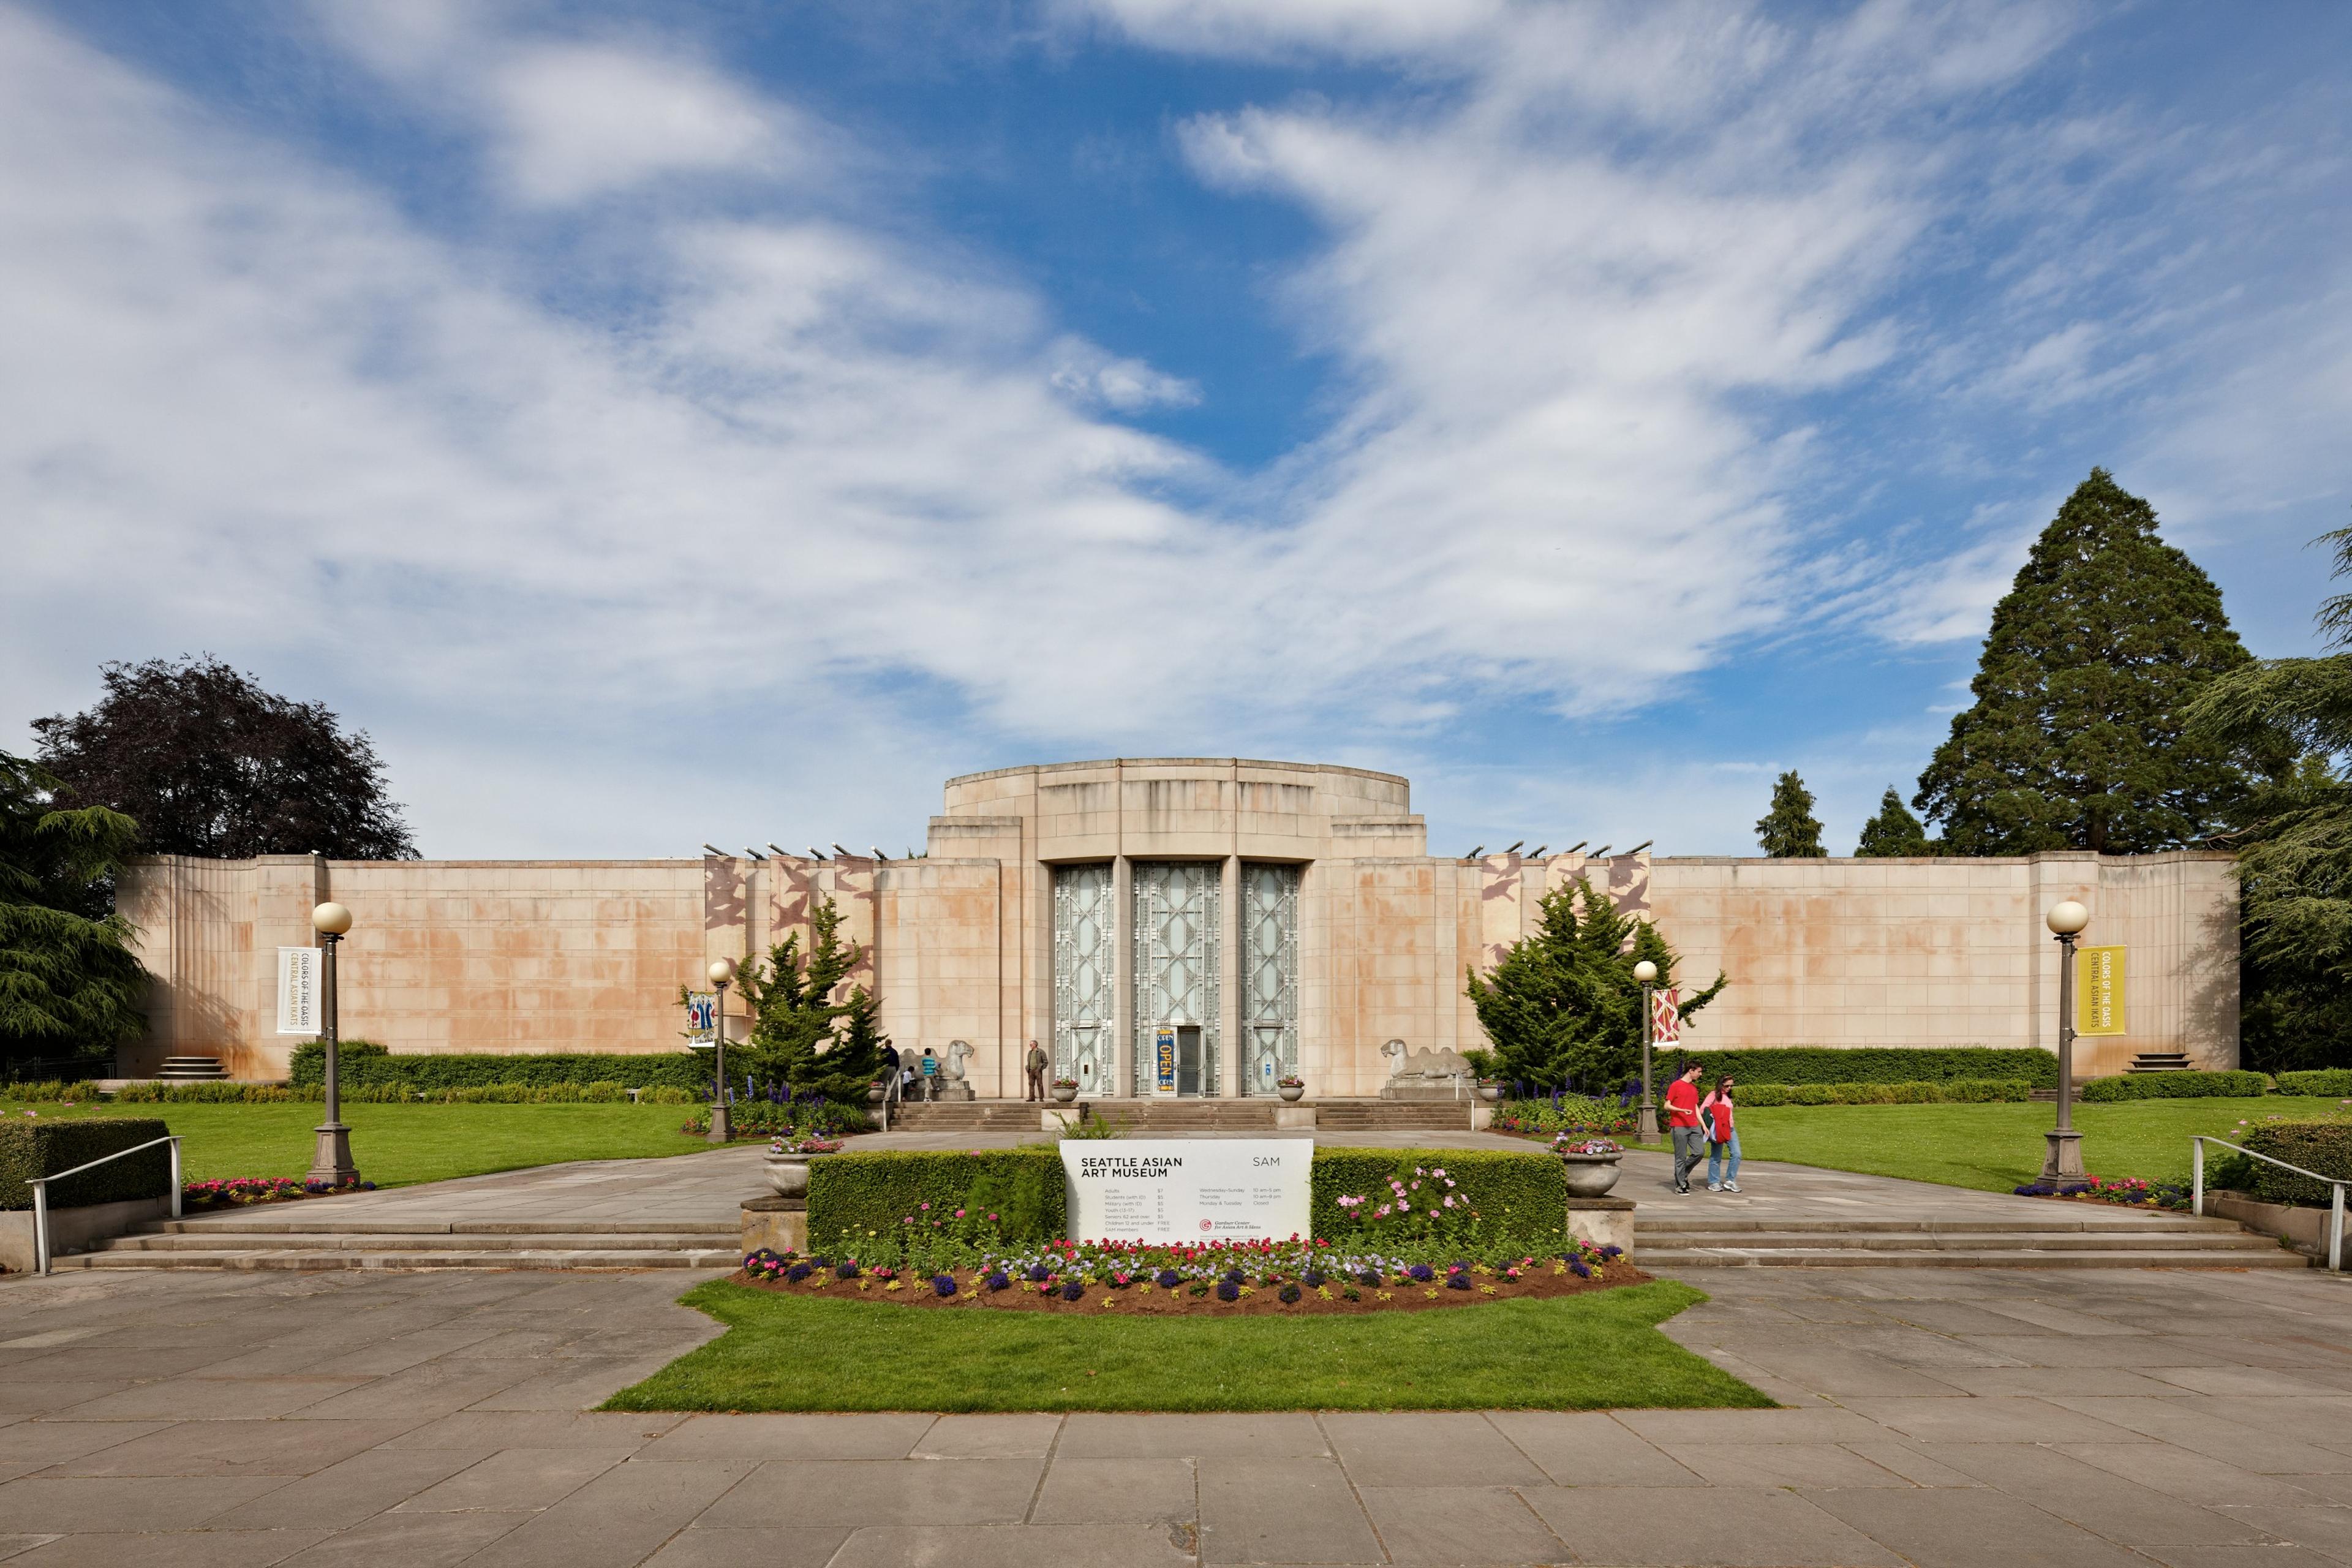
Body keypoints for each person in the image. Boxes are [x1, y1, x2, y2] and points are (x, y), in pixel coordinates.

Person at [1663, 1061, 1706, 1194]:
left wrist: (1703, 1125)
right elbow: (1666, 1105)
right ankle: (1680, 1185)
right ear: (1691, 1071)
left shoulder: (1693, 1088)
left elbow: (1695, 1107)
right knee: (1680, 1157)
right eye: (1699, 1071)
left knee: (1699, 1153)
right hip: (1679, 1126)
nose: (1700, 1074)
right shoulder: (1676, 1085)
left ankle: (1682, 1174)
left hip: (1694, 1126)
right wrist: (1681, 1110)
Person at [1701, 1074, 1741, 1193]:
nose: (1729, 1088)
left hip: (1730, 1128)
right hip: (1718, 1129)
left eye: (1731, 1086)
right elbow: (1703, 1109)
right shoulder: (1713, 1095)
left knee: (1737, 1154)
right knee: (1716, 1156)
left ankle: (1730, 1180)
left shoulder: (1728, 1096)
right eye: (1726, 1086)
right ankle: (1714, 1182)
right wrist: (1714, 1117)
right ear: (1721, 1084)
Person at [1023, 1038, 1049, 1102]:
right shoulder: (1030, 1052)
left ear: (1035, 1045)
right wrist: (1027, 1068)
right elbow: (1029, 1061)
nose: (1030, 1045)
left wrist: (1040, 1068)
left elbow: (1046, 1062)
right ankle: (1031, 1098)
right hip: (1031, 1071)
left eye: (1031, 1044)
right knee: (1031, 1084)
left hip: (1037, 1070)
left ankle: (1041, 1098)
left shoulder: (1041, 1052)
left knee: (1040, 1084)